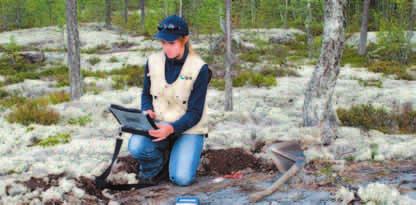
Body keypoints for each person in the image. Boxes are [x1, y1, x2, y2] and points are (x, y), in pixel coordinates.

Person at [127, 14, 212, 187]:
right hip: (159, 124)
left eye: (172, 43)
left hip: (189, 128)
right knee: (136, 146)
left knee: (182, 179)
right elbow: (145, 95)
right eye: (163, 43)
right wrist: (147, 109)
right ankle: (155, 168)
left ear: (185, 39)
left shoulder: (199, 68)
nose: (167, 48)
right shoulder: (152, 61)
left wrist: (171, 129)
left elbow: (195, 113)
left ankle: (178, 153)